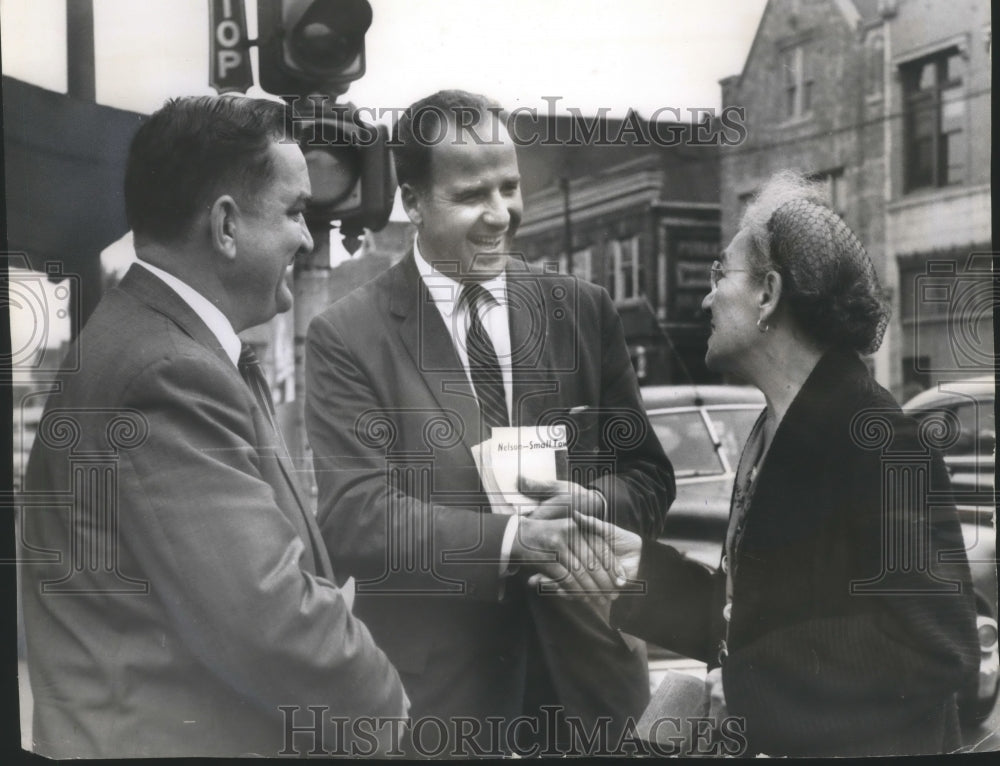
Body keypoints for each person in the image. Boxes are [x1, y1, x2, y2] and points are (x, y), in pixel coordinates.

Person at [19, 95, 407, 758]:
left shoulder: (154, 343)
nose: (307, 238)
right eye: (293, 211)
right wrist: (390, 709)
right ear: (226, 226)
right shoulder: (167, 372)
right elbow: (268, 621)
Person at [304, 89, 674, 753]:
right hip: (444, 707)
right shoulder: (347, 335)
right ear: (412, 202)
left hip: (589, 699)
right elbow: (355, 515)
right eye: (473, 194)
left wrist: (593, 502)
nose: (500, 215)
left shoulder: (581, 310)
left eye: (510, 186)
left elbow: (648, 476)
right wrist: (515, 543)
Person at [584, 171, 980, 756]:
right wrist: (625, 568)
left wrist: (747, 690)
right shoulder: (775, 425)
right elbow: (749, 616)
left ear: (769, 293)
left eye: (721, 274)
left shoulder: (880, 439)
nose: (706, 295)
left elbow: (936, 646)